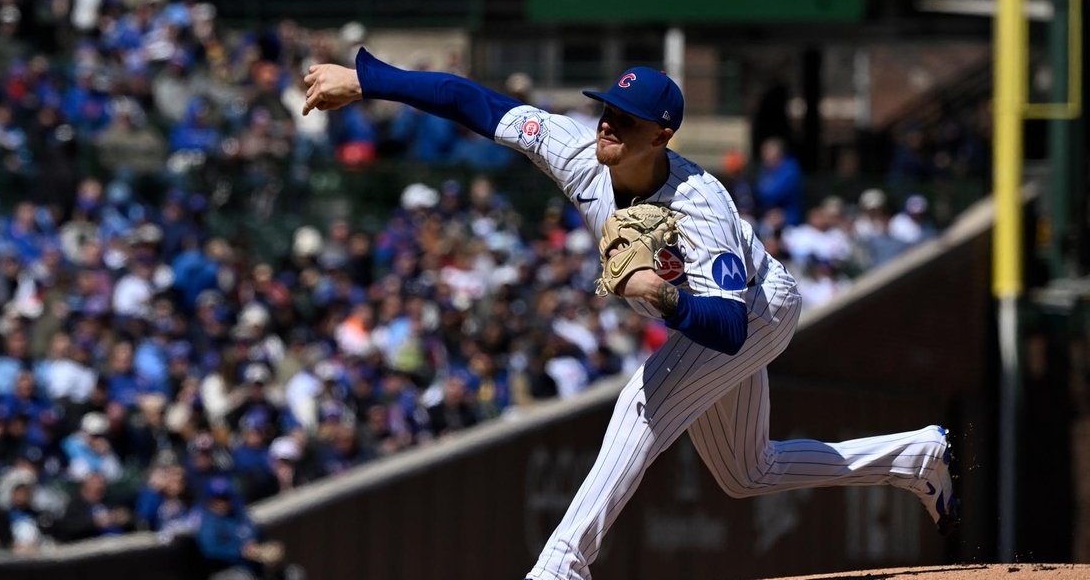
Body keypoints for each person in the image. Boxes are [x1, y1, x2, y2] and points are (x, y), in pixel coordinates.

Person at [301, 50, 960, 580]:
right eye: (608, 109)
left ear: (662, 135)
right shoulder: (576, 147)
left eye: (626, 119)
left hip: (756, 310)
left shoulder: (701, 204)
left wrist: (658, 292)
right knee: (747, 471)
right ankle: (916, 455)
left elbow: (728, 329)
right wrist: (365, 80)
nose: (608, 124)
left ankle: (561, 565)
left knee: (641, 402)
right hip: (714, 319)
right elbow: (470, 100)